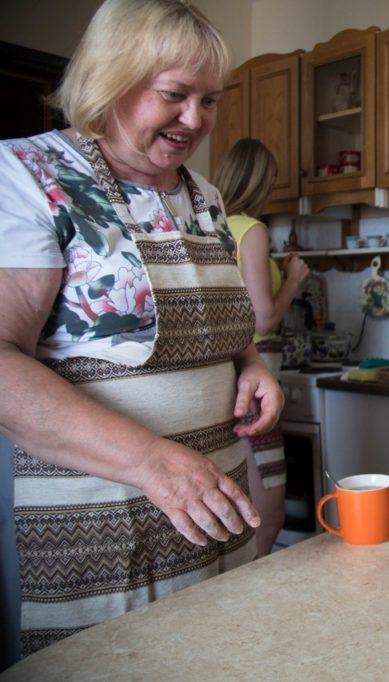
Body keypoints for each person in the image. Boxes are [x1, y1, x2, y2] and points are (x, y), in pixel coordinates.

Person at [0, 0, 283, 656]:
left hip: (215, 505)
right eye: (175, 96)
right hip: (103, 519)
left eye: (209, 100)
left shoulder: (204, 197)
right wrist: (153, 462)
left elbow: (218, 324)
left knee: (221, 657)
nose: (196, 121)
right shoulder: (32, 177)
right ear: (110, 78)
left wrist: (250, 364)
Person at [214, 138, 309, 556]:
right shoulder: (252, 231)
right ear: (259, 181)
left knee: (241, 508)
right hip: (255, 383)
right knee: (267, 513)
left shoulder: (212, 227)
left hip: (227, 378)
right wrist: (292, 280)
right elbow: (263, 319)